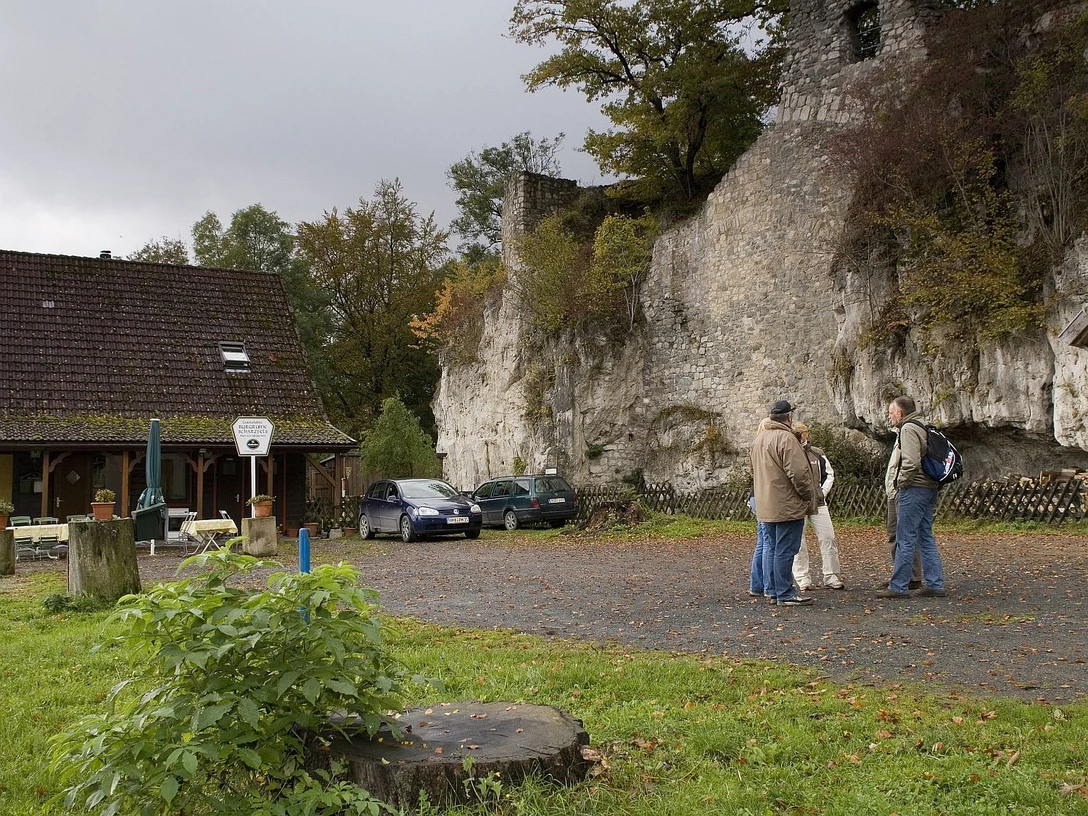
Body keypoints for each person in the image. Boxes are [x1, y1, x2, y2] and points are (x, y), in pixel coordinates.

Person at [877, 396, 947, 599]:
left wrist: (901, 483)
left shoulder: (908, 429)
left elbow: (911, 462)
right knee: (925, 536)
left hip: (914, 488)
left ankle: (898, 586)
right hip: (929, 487)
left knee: (905, 538)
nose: (889, 416)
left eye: (891, 412)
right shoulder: (923, 425)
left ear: (900, 413)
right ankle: (935, 584)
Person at [750, 399, 815, 607]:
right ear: (789, 417)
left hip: (765, 503)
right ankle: (785, 592)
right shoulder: (787, 439)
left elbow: (753, 471)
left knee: (771, 547)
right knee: (785, 550)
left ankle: (772, 590)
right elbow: (799, 473)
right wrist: (807, 495)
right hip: (786, 504)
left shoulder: (759, 439)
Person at [790, 422, 845, 591]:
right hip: (797, 504)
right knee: (798, 543)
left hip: (818, 503)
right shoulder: (790, 453)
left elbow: (829, 474)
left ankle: (831, 575)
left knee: (828, 538)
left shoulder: (817, 453)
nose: (801, 436)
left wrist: (822, 492)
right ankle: (802, 578)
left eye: (802, 433)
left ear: (806, 434)